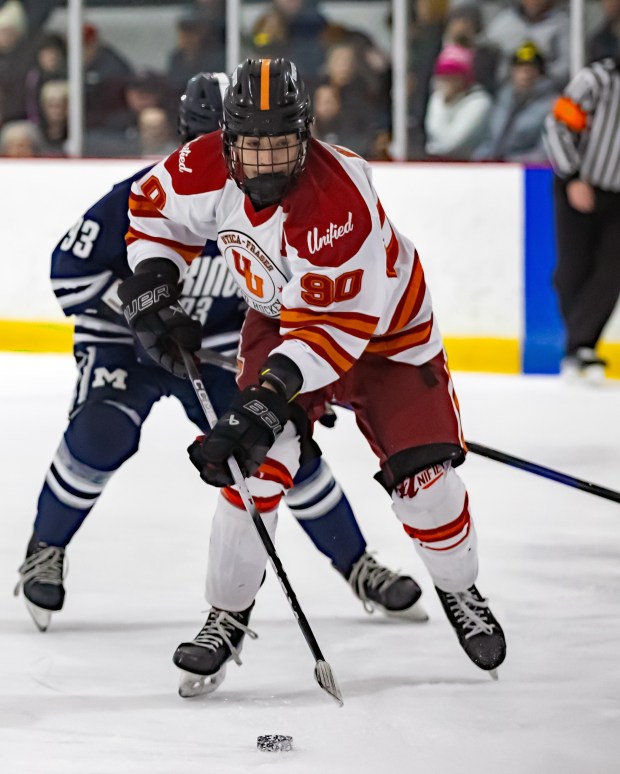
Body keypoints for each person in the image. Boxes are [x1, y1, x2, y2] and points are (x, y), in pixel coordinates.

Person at [117, 57, 507, 694]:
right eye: (251, 146)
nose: (265, 163)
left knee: (425, 483)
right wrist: (154, 285)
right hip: (281, 321)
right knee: (254, 472)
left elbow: (335, 332)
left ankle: (461, 589)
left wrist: (266, 401)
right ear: (226, 136)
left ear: (305, 137)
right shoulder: (203, 162)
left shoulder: (339, 199)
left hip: (385, 339)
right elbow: (151, 215)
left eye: (280, 147)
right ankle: (226, 613)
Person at [14, 71, 425, 635]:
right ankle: (46, 546)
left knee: (277, 445)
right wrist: (147, 318)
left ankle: (357, 564)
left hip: (217, 355)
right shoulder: (157, 192)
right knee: (101, 432)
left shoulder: (289, 209)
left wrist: (304, 384)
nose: (249, 171)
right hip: (127, 347)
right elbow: (71, 275)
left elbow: (304, 310)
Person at [543, 57, 620, 380]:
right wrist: (573, 175)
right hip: (579, 184)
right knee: (572, 271)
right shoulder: (597, 80)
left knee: (613, 270)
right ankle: (580, 345)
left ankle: (580, 345)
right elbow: (557, 124)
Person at [473, 41, 557, 163]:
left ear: (541, 73)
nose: (525, 74)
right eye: (520, 68)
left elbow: (544, 152)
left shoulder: (552, 106)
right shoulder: (502, 99)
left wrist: (508, 162)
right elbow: (488, 139)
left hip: (528, 171)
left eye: (531, 69)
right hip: (494, 168)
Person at [424, 44, 492, 160]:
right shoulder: (438, 96)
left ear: (464, 79)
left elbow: (449, 145)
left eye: (452, 76)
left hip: (472, 166)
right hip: (440, 165)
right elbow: (431, 133)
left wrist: (440, 102)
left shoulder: (480, 102)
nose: (445, 82)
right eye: (442, 76)